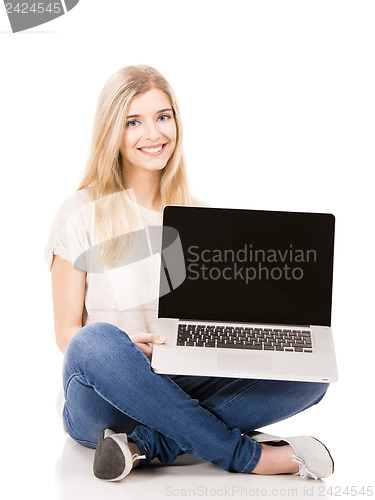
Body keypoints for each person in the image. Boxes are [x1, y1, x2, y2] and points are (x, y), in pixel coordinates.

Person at [45, 64, 334, 482]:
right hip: (103, 400)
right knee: (96, 340)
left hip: (178, 383)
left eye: (163, 117)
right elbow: (67, 334)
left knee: (310, 375)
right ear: (113, 131)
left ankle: (143, 446)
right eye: (133, 122)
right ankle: (248, 457)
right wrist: (126, 346)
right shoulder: (80, 212)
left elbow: (208, 320)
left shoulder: (199, 218)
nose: (153, 133)